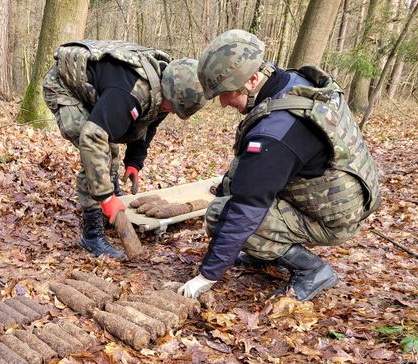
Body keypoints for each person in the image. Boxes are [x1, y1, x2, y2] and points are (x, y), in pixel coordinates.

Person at [179, 29, 381, 301]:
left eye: (227, 94)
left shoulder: (277, 132)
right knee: (233, 191)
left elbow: (245, 210)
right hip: (340, 198)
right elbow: (250, 173)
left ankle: (313, 270)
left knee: (221, 214)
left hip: (334, 217)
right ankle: (264, 251)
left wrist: (207, 275)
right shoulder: (292, 83)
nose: (224, 104)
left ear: (252, 79)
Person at [43, 40, 205, 259]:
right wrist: (106, 197)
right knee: (98, 153)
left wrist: (134, 163)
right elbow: (92, 139)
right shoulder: (130, 92)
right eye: (172, 108)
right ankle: (91, 233)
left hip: (103, 91)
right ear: (168, 90)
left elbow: (148, 125)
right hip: (64, 87)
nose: (172, 112)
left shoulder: (167, 93)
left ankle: (109, 201)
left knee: (111, 147)